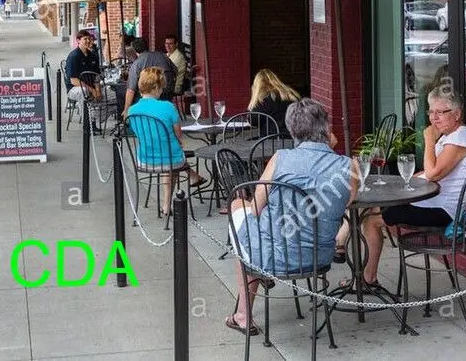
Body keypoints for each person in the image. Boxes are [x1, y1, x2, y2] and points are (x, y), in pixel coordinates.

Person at [226, 98, 360, 336]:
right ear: (327, 127)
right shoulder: (348, 165)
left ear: (292, 130)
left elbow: (256, 208)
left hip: (276, 255)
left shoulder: (281, 159)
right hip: (320, 255)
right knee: (252, 230)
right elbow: (347, 203)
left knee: (239, 210)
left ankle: (243, 314)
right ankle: (254, 270)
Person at [335, 86, 466, 288]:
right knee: (368, 209)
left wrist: (429, 141)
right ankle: (343, 246)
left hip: (444, 211)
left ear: (457, 114)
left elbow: (433, 173)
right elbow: (428, 174)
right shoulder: (451, 137)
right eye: (431, 111)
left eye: (441, 112)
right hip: (432, 203)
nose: (434, 117)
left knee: (370, 221)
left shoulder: (460, 138)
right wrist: (406, 180)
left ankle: (365, 277)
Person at [126, 67, 207, 214]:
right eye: (162, 87)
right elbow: (179, 135)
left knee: (169, 152)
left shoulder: (132, 111)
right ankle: (167, 203)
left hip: (144, 160)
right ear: (156, 87)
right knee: (172, 157)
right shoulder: (168, 106)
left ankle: (189, 181)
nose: (162, 90)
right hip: (170, 160)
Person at [123, 37, 176, 116]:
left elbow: (131, 90)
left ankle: (130, 121)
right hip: (168, 94)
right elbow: (175, 70)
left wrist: (126, 110)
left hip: (150, 97)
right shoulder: (162, 55)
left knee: (124, 94)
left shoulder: (137, 64)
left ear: (134, 51)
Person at [64, 30, 104, 132]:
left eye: (89, 39)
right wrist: (92, 89)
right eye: (84, 39)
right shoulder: (73, 57)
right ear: (78, 41)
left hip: (91, 87)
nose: (87, 41)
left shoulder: (93, 56)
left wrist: (97, 90)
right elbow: (73, 80)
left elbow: (96, 77)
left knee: (112, 94)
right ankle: (88, 125)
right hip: (74, 89)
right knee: (84, 92)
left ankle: (96, 119)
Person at [247, 69, 301, 136]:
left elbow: (253, 120)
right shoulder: (290, 94)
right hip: (294, 135)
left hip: (271, 138)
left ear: (257, 86)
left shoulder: (265, 100)